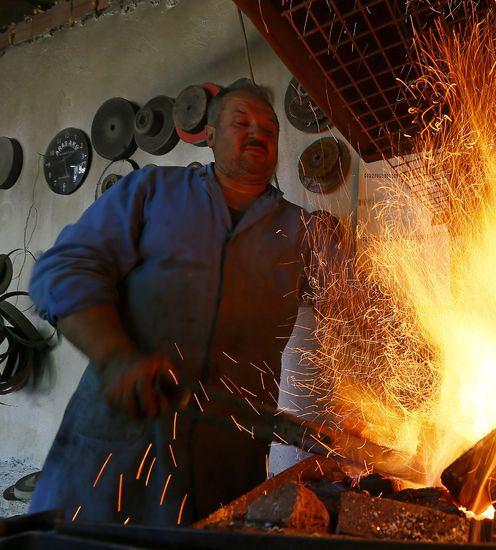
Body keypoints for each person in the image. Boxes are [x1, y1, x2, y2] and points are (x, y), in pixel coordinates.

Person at [28, 82, 337, 525]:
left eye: (269, 127)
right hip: (116, 453)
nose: (258, 132)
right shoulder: (152, 191)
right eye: (240, 122)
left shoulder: (301, 231)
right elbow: (63, 268)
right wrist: (115, 358)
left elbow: (360, 305)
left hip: (228, 468)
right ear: (209, 135)